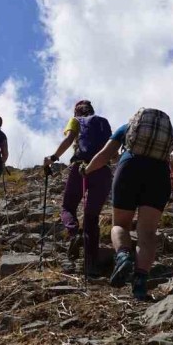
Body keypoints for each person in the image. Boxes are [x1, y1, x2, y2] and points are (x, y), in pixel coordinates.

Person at [83, 107, 173, 301]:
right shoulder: (166, 138)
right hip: (158, 174)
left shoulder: (126, 128)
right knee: (148, 232)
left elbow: (105, 154)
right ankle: (140, 281)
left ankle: (123, 255)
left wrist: (88, 170)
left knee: (120, 224)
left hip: (129, 169)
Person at [43, 100, 112, 277]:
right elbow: (113, 149)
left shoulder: (76, 121)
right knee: (91, 217)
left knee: (68, 206)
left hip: (81, 167)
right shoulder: (103, 122)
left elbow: (69, 139)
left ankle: (74, 233)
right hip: (103, 169)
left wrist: (53, 157)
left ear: (76, 112)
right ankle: (91, 264)